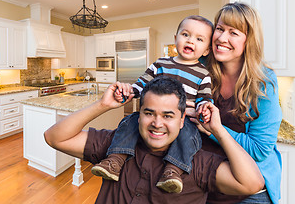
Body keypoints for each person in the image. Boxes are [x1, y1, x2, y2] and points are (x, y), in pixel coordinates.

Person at [44, 76, 264, 204]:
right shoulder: (115, 146)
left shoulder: (196, 163)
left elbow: (252, 183)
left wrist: (217, 129)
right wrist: (102, 105)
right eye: (149, 113)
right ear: (138, 115)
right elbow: (54, 137)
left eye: (168, 116)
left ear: (181, 120)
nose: (157, 123)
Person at [91, 15, 214, 193]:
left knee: (189, 135)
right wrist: (128, 92)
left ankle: (173, 171)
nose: (190, 41)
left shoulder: (203, 74)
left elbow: (204, 99)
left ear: (206, 50)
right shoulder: (160, 64)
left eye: (199, 39)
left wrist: (204, 109)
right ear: (175, 39)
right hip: (153, 114)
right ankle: (115, 160)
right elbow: (141, 85)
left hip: (182, 120)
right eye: (185, 34)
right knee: (130, 121)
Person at [194, 2, 282, 204]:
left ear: (248, 40)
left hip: (250, 190)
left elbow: (259, 149)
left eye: (233, 33)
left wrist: (213, 130)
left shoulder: (263, 82)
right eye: (220, 29)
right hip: (205, 180)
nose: (222, 38)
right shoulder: (200, 68)